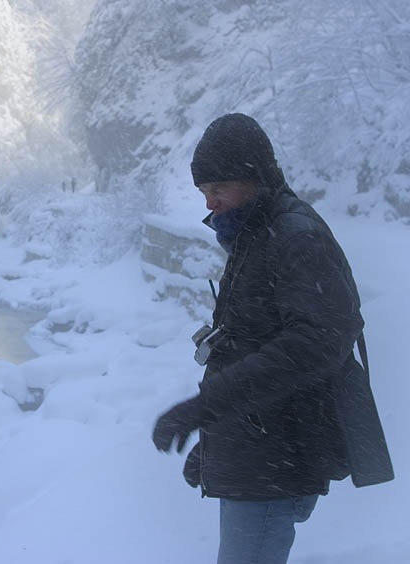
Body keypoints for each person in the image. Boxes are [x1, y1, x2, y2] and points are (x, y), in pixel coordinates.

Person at [152, 113, 393, 564]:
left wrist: (206, 407)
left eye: (218, 188)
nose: (211, 203)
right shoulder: (256, 233)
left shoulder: (295, 238)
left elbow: (315, 345)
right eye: (204, 193)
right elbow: (250, 340)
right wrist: (217, 436)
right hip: (260, 444)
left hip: (277, 453)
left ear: (252, 176)